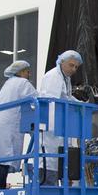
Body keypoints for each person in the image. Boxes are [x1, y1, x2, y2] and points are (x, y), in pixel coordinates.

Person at [0, 60, 36, 190]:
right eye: (27, 72)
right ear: (21, 72)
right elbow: (37, 100)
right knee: (3, 160)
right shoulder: (23, 83)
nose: (29, 74)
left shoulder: (8, 83)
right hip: (7, 126)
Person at [38, 50, 83, 185]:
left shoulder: (65, 78)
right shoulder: (53, 76)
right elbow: (51, 101)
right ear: (62, 62)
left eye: (76, 67)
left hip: (60, 130)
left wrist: (81, 104)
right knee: (49, 163)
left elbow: (67, 97)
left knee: (59, 162)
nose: (73, 69)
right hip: (51, 129)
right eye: (71, 65)